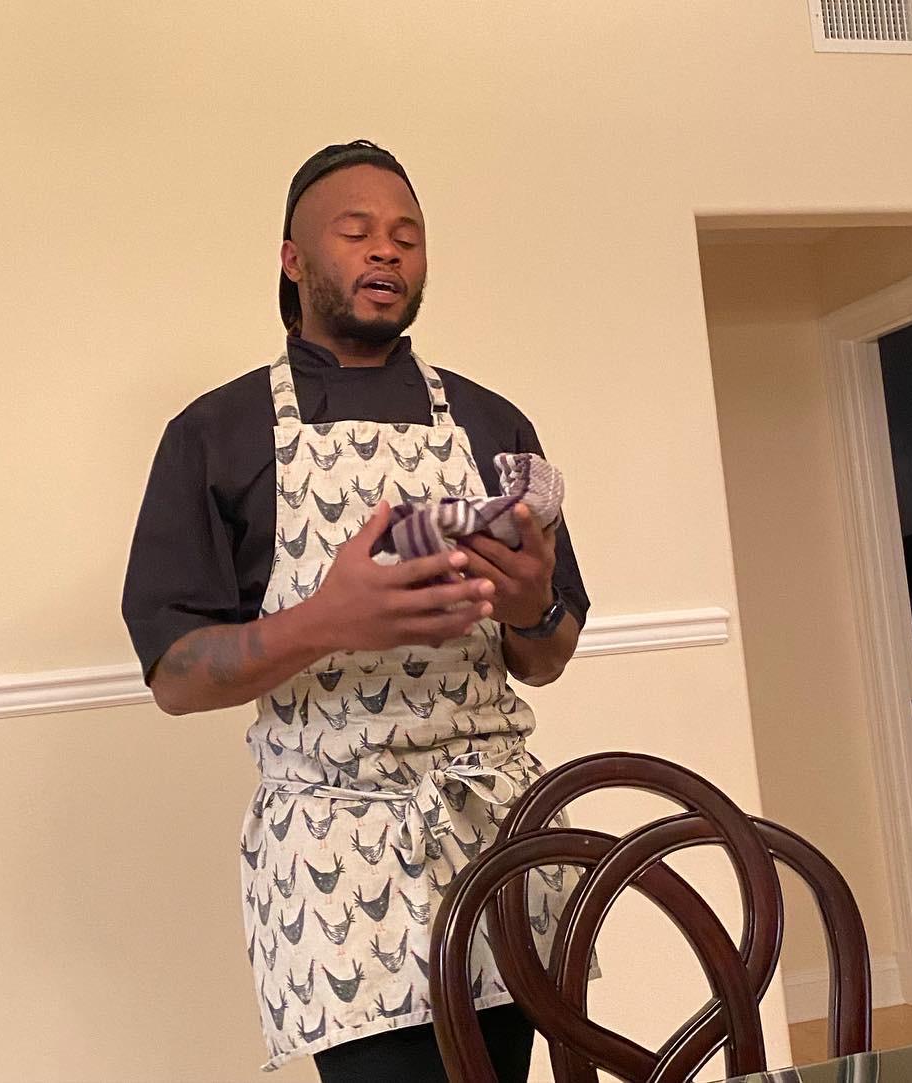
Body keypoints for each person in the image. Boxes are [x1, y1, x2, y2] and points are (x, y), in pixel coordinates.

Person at [122, 140, 591, 1081]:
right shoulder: (215, 435)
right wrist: (328, 620)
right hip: (339, 857)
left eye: (408, 235)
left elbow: (545, 657)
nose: (388, 250)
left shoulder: (493, 425)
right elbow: (174, 675)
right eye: (358, 231)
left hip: (499, 839)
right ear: (293, 259)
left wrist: (532, 604)